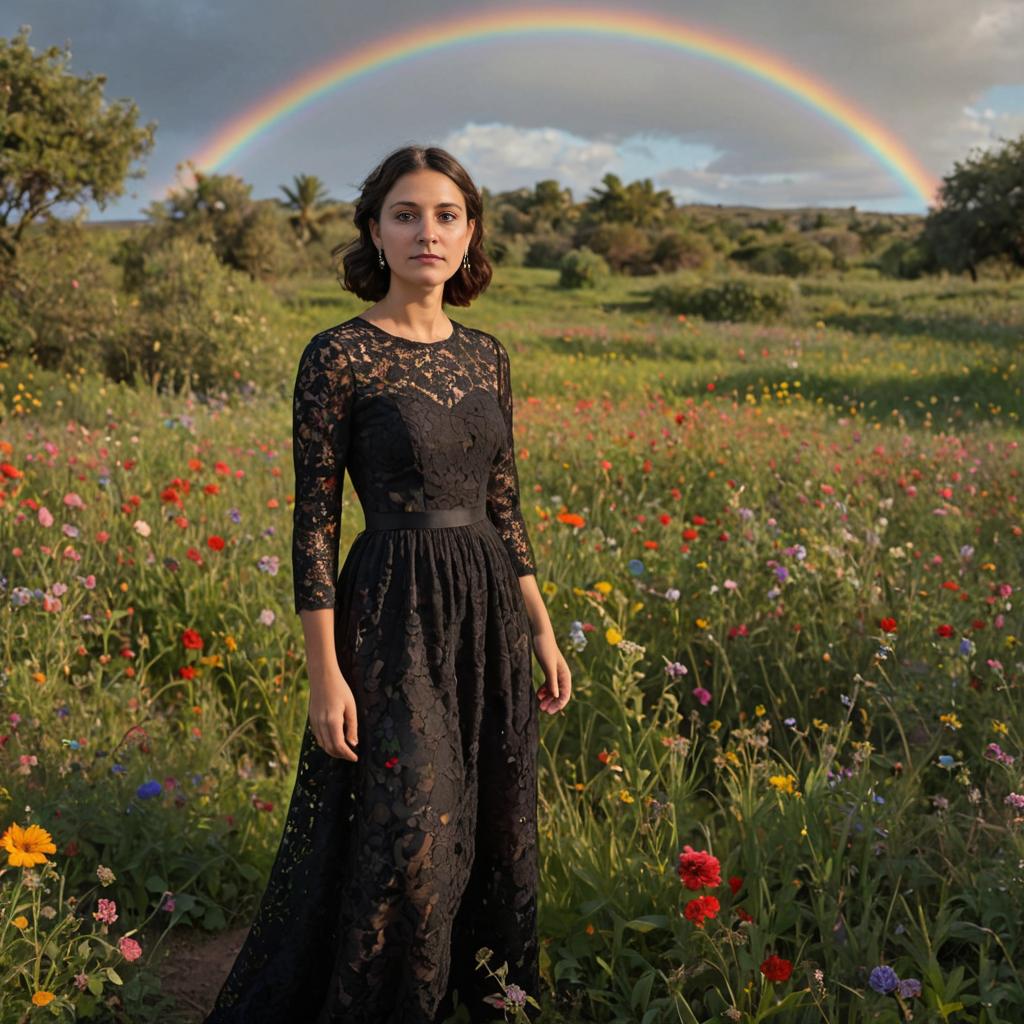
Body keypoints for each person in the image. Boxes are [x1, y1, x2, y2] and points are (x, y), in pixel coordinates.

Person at [204, 144, 572, 1024]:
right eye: (406, 214)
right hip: (391, 610)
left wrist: (543, 628)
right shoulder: (338, 357)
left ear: (470, 232)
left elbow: (505, 502)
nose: (427, 232)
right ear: (375, 230)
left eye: (446, 215)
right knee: (410, 823)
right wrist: (322, 673)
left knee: (489, 819)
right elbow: (315, 526)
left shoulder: (487, 357)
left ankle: (480, 998)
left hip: (484, 606)